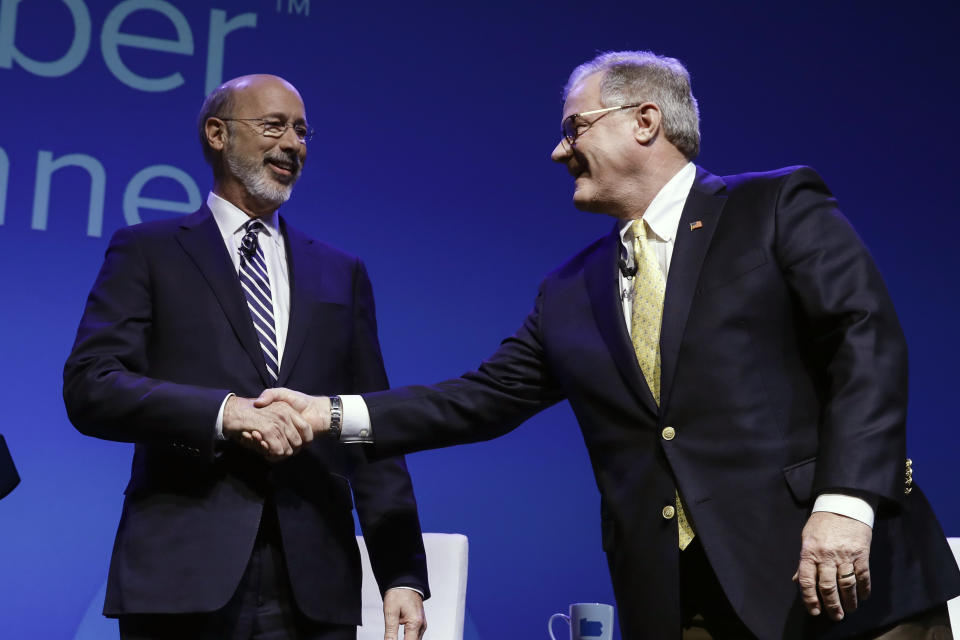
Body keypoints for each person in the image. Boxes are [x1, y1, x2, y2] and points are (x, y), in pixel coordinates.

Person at [258, 52, 960, 639]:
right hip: (684, 606)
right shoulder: (571, 291)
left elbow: (864, 338)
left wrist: (846, 503)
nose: (560, 150)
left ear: (645, 121)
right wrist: (330, 415)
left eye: (575, 128)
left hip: (843, 576)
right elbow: (479, 400)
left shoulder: (774, 207)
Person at [63, 74, 428, 640]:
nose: (292, 145)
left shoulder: (341, 272)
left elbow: (368, 426)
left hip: (315, 584)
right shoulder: (148, 252)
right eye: (273, 126)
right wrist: (224, 412)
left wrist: (401, 572)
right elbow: (92, 385)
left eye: (302, 132)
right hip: (182, 578)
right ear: (217, 134)